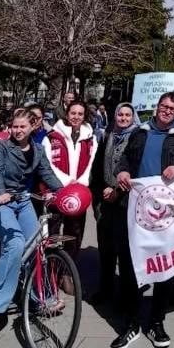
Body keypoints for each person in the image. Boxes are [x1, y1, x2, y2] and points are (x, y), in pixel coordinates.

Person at [111, 92, 174, 348]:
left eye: (172, 109)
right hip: (136, 208)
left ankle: (156, 322)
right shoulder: (139, 133)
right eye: (164, 106)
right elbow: (126, 159)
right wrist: (123, 171)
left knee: (165, 267)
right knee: (130, 268)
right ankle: (131, 324)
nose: (167, 111)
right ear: (157, 107)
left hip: (167, 212)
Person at [0, 108, 63, 331]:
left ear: (33, 127)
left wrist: (62, 191)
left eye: (22, 126)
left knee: (35, 245)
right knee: (14, 245)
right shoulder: (1, 147)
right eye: (15, 126)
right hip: (0, 202)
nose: (18, 130)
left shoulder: (36, 150)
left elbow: (47, 173)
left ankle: (37, 296)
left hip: (23, 201)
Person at [89, 103, 139, 305]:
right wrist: (100, 192)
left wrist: (117, 191)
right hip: (105, 200)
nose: (124, 118)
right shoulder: (107, 135)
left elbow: (136, 168)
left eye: (128, 115)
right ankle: (105, 288)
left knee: (125, 251)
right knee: (106, 248)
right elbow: (98, 166)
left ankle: (126, 296)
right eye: (120, 114)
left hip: (125, 201)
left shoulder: (137, 137)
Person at [46, 99, 98, 260]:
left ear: (85, 116)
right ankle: (52, 268)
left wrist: (81, 182)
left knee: (74, 232)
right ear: (67, 114)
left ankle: (68, 270)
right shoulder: (52, 137)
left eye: (80, 114)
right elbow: (47, 163)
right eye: (73, 113)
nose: (76, 116)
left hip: (78, 192)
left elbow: (92, 162)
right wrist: (66, 181)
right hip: (56, 189)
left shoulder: (91, 139)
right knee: (52, 231)